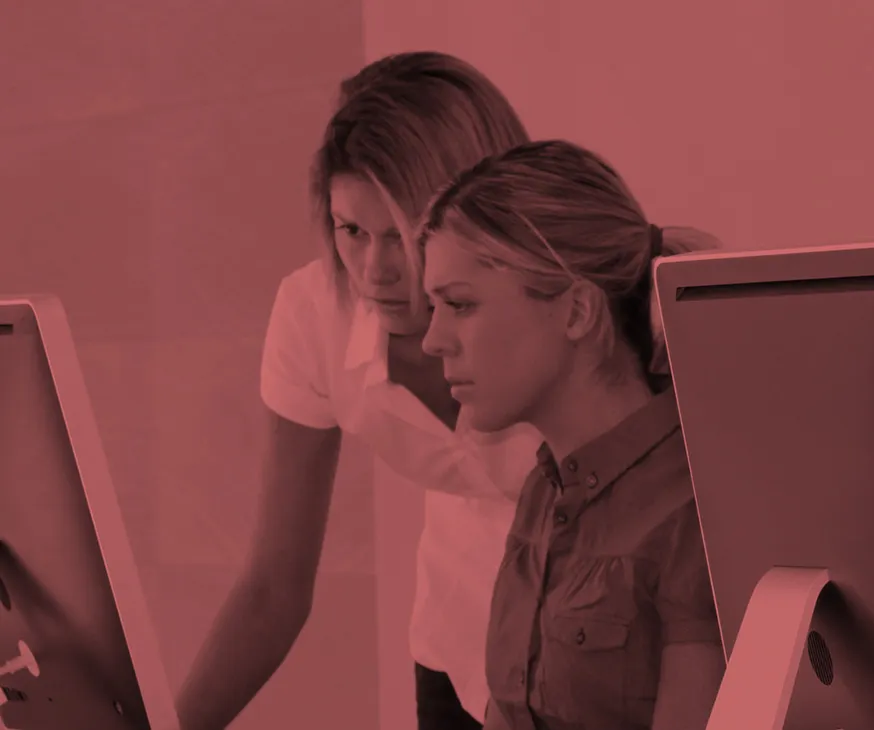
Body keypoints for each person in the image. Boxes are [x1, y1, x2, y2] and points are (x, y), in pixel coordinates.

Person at [174, 52, 542, 730]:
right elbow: (274, 586)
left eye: (403, 235)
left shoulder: (570, 305)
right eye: (351, 231)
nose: (375, 269)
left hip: (601, 648)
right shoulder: (314, 314)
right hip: (459, 644)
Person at [414, 139, 726, 730]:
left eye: (460, 305)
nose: (433, 341)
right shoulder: (543, 490)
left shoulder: (698, 510)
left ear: (578, 312)